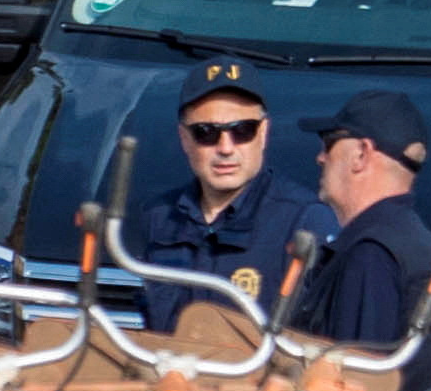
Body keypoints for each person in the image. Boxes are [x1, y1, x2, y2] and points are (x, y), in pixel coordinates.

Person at [125, 59, 319, 313]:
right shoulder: (157, 217)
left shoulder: (305, 221)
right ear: (184, 139)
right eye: (206, 132)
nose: (225, 148)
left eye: (242, 130)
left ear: (263, 133)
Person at [289, 89, 431, 357]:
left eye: (328, 144)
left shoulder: (371, 255)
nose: (320, 158)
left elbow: (355, 385)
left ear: (361, 154)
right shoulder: (420, 243)